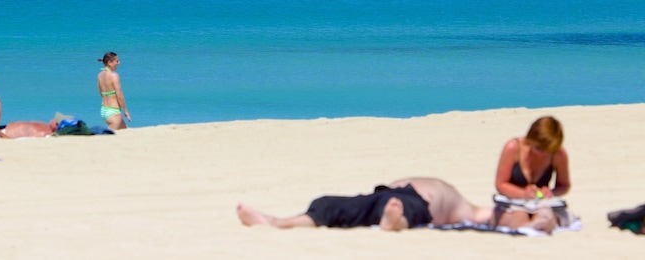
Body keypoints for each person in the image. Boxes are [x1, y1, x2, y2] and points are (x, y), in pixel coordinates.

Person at [237, 177, 508, 231]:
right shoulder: (464, 203)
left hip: (414, 203)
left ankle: (395, 221)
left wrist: (538, 215)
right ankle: (277, 221)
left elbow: (492, 217)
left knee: (403, 208)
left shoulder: (469, 210)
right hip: (380, 196)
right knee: (327, 203)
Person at [493, 115, 571, 231]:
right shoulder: (513, 148)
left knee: (548, 215)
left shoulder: (558, 154)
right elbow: (501, 184)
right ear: (530, 139)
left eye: (548, 150)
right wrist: (523, 193)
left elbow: (564, 185)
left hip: (540, 203)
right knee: (519, 216)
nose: (542, 154)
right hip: (512, 203)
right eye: (538, 148)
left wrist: (550, 192)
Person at [97, 51, 130, 129]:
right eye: (117, 61)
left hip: (104, 110)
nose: (119, 63)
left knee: (126, 131)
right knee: (109, 138)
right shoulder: (114, 76)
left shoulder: (100, 75)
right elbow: (119, 95)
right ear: (109, 62)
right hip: (113, 111)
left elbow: (101, 93)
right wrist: (125, 111)